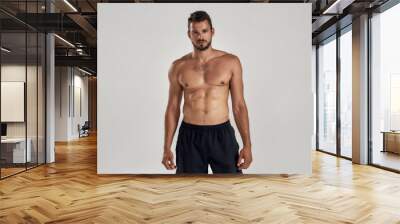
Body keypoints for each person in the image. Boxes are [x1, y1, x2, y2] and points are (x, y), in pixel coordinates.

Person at [162, 10, 252, 174]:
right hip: (190, 136)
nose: (200, 36)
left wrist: (248, 145)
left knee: (229, 188)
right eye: (195, 32)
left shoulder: (231, 62)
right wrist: (166, 147)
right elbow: (172, 108)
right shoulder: (178, 66)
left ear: (212, 32)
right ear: (189, 34)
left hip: (222, 134)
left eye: (204, 31)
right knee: (189, 190)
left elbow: (239, 106)